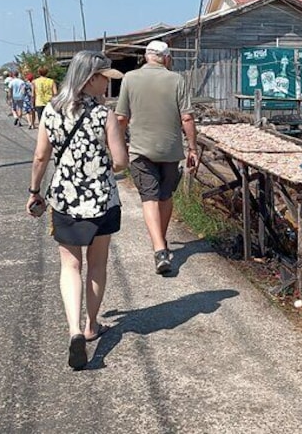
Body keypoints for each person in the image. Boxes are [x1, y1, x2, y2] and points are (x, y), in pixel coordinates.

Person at [26, 51, 127, 370]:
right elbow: (122, 161)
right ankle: (91, 325)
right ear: (90, 78)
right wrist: (104, 166)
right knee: (97, 265)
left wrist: (34, 191)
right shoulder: (104, 115)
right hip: (101, 201)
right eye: (103, 79)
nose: (106, 86)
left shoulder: (51, 111)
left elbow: (41, 157)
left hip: (65, 200)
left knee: (70, 266)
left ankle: (73, 331)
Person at [115, 40, 197, 275]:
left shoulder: (129, 78)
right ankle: (161, 243)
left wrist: (118, 145)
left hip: (141, 150)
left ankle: (159, 248)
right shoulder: (177, 80)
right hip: (170, 150)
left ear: (145, 57)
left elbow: (121, 118)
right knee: (165, 195)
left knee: (149, 198)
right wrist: (192, 148)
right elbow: (187, 118)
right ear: (167, 58)